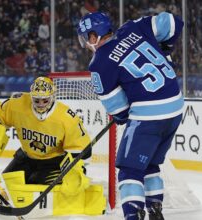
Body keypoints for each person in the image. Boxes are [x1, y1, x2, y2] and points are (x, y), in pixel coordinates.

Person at [77, 11, 184, 220]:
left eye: (85, 38)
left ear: (93, 36)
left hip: (149, 115)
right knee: (149, 164)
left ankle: (133, 216)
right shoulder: (133, 27)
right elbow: (172, 22)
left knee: (129, 171)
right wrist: (165, 49)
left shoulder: (99, 63)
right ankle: (155, 211)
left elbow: (119, 111)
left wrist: (122, 116)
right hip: (176, 106)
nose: (86, 43)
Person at [0, 76, 91, 195]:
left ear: (53, 97)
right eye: (37, 100)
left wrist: (77, 171)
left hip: (54, 162)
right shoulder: (18, 103)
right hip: (25, 158)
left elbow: (82, 150)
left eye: (45, 100)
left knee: (39, 187)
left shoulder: (66, 118)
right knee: (6, 186)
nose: (41, 104)